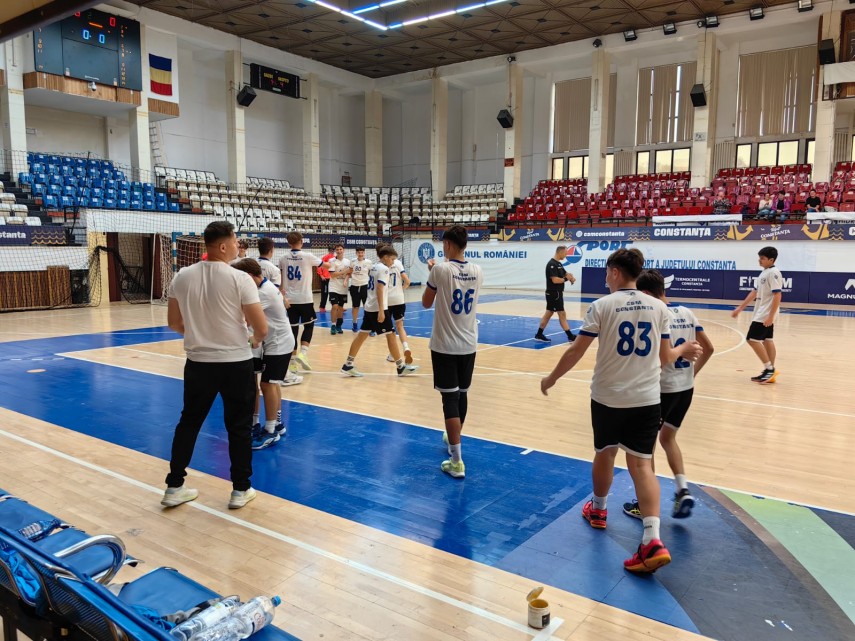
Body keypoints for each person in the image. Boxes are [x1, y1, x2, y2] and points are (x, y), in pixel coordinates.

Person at [540, 248, 702, 573]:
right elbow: (665, 358)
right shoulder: (659, 308)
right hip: (647, 399)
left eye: (606, 272)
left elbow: (575, 351)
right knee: (641, 465)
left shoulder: (602, 306)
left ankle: (598, 510)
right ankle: (652, 540)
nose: (605, 278)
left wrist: (552, 378)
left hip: (608, 398)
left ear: (615, 271)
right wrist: (683, 348)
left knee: (605, 453)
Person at [162, 221, 267, 510]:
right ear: (222, 246)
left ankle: (174, 486)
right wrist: (254, 340)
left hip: (198, 364)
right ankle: (240, 490)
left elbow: (174, 323)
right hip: (236, 364)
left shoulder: (182, 276)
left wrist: (201, 335)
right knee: (239, 427)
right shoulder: (240, 279)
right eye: (235, 241)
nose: (237, 245)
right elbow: (261, 327)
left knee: (189, 423)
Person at [622, 269, 714, 521]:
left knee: (645, 449)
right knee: (668, 438)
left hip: (662, 391)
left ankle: (644, 504)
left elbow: (660, 358)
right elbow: (709, 348)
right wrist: (692, 374)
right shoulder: (686, 312)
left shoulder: (655, 315)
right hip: (685, 389)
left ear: (645, 292)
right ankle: (682, 489)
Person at [422, 225, 484, 480]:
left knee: (449, 399)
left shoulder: (440, 270)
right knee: (462, 395)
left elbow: (426, 302)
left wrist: (432, 272)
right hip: (469, 343)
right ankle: (454, 438)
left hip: (445, 345)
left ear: (447, 244)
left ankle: (456, 461)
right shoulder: (478, 270)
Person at [231, 258, 298, 450]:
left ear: (249, 276)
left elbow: (245, 318)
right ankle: (276, 423)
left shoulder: (263, 293)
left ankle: (270, 431)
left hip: (279, 343)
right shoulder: (267, 287)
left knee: (267, 384)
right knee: (271, 384)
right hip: (273, 341)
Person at [340, 245, 418, 378]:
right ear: (386, 257)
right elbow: (380, 289)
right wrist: (382, 310)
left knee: (361, 336)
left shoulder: (374, 267)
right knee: (391, 335)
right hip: (377, 308)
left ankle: (348, 364)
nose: (393, 262)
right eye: (392, 259)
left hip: (369, 307)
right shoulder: (384, 269)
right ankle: (400, 367)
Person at [279, 231, 330, 372]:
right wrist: (332, 262)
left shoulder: (282, 258)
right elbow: (326, 266)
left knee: (293, 330)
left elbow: (281, 281)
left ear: (288, 243)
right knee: (309, 326)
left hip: (289, 300)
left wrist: (283, 297)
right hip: (305, 299)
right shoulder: (308, 256)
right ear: (301, 241)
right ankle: (304, 354)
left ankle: (293, 363)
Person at [730, 246, 782, 384]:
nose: (759, 260)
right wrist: (740, 308)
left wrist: (770, 316)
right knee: (767, 340)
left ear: (771, 260)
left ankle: (769, 369)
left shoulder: (774, 273)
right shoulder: (764, 273)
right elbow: (754, 292)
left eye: (763, 258)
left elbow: (777, 295)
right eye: (759, 258)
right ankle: (769, 371)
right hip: (762, 311)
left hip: (766, 313)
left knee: (751, 339)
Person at [534, 245, 577, 344]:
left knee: (549, 313)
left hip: (556, 293)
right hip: (554, 294)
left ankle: (539, 334)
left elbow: (565, 274)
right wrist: (566, 279)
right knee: (561, 314)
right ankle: (570, 336)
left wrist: (570, 277)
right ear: (560, 252)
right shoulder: (551, 264)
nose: (566, 255)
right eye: (565, 253)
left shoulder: (559, 264)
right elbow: (555, 280)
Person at [384, 244, 414, 364]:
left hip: (387, 300)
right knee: (400, 326)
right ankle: (406, 347)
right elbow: (407, 281)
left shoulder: (381, 266)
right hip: (399, 299)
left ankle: (393, 354)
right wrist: (401, 290)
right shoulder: (398, 263)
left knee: (389, 330)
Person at [327, 244, 351, 335]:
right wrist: (345, 271)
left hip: (343, 287)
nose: (339, 251)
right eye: (337, 249)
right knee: (335, 306)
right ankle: (333, 325)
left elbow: (349, 273)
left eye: (341, 249)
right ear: (335, 251)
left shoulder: (347, 261)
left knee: (341, 307)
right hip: (333, 286)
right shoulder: (331, 261)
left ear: (343, 250)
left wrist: (345, 280)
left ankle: (339, 325)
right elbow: (333, 275)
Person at [349, 247, 372, 333]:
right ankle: (354, 323)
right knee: (355, 306)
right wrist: (346, 280)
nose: (360, 254)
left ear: (364, 253)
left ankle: (370, 325)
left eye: (362, 252)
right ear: (356, 253)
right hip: (354, 286)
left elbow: (371, 274)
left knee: (367, 306)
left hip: (365, 286)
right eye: (359, 252)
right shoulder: (352, 261)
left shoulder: (368, 262)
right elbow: (349, 272)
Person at [318, 246, 335, 313]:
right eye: (331, 250)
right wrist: (321, 275)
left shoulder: (335, 258)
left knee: (333, 293)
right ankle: (322, 307)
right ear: (328, 250)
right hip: (325, 279)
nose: (332, 251)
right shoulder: (324, 257)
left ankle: (336, 306)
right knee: (324, 293)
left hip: (333, 279)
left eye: (333, 250)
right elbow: (319, 266)